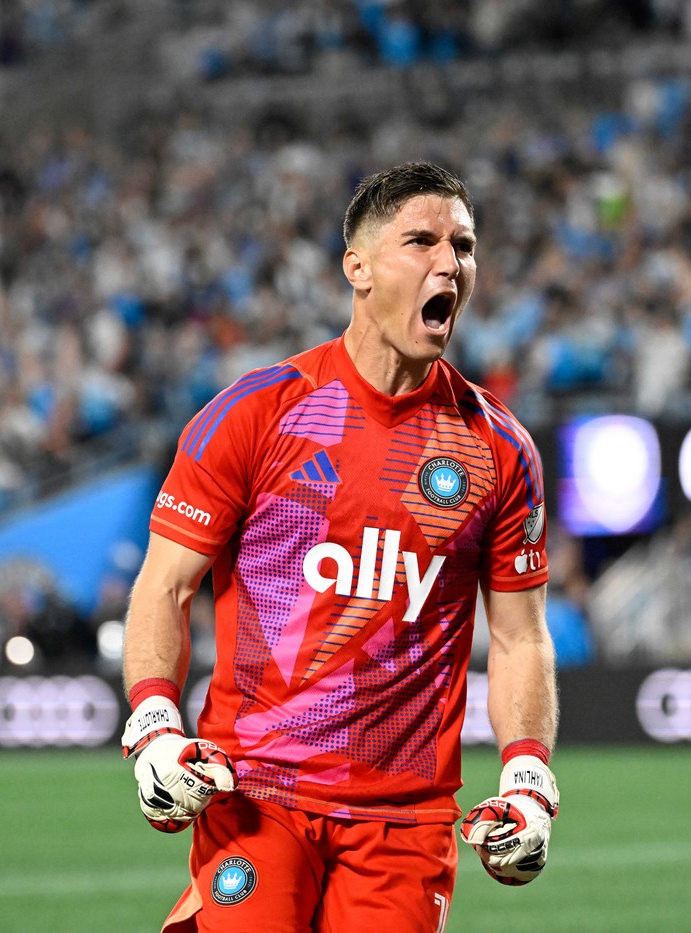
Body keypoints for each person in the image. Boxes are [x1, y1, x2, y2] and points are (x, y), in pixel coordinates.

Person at [121, 161, 559, 932]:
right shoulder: (257, 414)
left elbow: (521, 634)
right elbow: (164, 586)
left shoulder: (499, 448)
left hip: (406, 821)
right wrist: (154, 721)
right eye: (420, 240)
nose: (448, 262)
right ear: (355, 266)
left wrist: (527, 773)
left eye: (463, 245)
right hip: (258, 795)